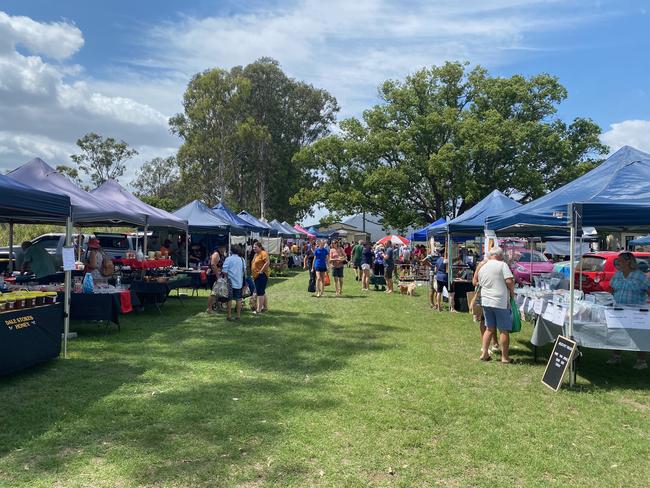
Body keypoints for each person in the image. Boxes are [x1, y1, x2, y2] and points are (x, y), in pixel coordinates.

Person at [607, 252, 649, 370]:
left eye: (619, 261)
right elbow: (612, 289)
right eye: (617, 261)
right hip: (619, 308)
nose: (617, 263)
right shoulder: (617, 275)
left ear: (628, 262)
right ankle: (616, 356)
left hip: (636, 311)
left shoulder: (640, 276)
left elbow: (648, 290)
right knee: (617, 332)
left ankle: (641, 361)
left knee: (639, 334)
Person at [477, 247, 515, 363]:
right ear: (499, 255)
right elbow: (509, 281)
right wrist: (512, 291)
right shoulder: (502, 265)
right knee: (503, 330)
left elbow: (478, 281)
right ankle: (505, 357)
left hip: (486, 300)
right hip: (499, 301)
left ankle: (484, 353)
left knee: (489, 328)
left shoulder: (483, 266)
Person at [221, 246, 246, 321]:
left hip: (230, 282)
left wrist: (226, 277)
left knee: (229, 299)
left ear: (231, 251)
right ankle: (238, 316)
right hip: (239, 282)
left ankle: (229, 315)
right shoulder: (242, 259)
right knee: (238, 299)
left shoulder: (228, 259)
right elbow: (244, 271)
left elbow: (224, 271)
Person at [252, 242, 270, 314]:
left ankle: (258, 310)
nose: (254, 248)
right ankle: (265, 307)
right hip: (256, 276)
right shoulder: (256, 254)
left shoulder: (263, 253)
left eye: (255, 247)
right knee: (262, 291)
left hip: (262, 275)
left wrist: (261, 271)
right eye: (253, 247)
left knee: (260, 293)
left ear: (260, 247)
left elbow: (267, 262)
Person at [206, 247, 223, 313]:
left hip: (215, 275)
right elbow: (213, 264)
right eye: (224, 247)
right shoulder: (216, 254)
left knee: (217, 292)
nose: (224, 249)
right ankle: (209, 309)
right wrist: (217, 276)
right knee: (213, 292)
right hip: (213, 275)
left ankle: (217, 306)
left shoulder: (219, 254)